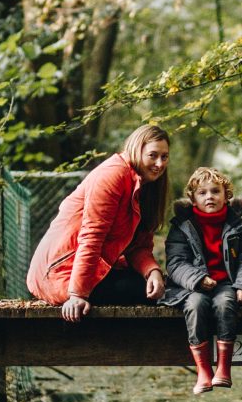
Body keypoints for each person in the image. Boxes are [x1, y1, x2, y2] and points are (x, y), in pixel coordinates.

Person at [26, 124, 170, 321]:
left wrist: (152, 271)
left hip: (96, 270)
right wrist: (77, 294)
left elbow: (139, 246)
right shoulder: (113, 174)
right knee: (153, 293)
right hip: (62, 273)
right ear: (137, 150)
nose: (159, 163)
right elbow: (91, 236)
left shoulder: (148, 186)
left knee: (160, 288)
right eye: (153, 155)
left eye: (164, 157)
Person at [160, 166, 242, 392]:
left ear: (226, 196)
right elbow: (176, 262)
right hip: (192, 287)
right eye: (202, 193)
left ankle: (224, 368)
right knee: (196, 306)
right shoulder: (182, 226)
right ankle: (203, 370)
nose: (210, 197)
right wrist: (198, 279)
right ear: (193, 199)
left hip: (226, 283)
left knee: (225, 303)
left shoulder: (237, 224)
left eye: (215, 191)